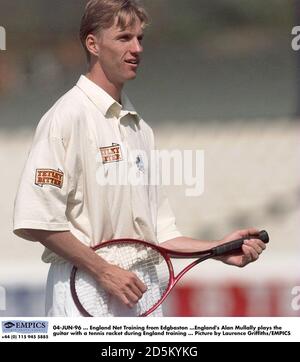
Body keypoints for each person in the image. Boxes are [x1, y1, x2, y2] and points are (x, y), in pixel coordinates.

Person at [13, 0, 266, 317]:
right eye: (123, 38)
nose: (137, 49)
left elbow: (161, 236)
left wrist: (218, 248)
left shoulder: (140, 129)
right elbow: (37, 221)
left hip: (142, 290)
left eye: (139, 38)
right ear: (93, 43)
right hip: (84, 289)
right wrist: (104, 271)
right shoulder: (66, 117)